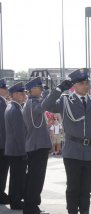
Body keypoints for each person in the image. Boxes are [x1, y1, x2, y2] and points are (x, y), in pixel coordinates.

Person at [42, 68, 91, 214]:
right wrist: (58, 89)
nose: (86, 85)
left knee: (86, 189)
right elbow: (45, 106)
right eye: (82, 83)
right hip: (72, 152)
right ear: (74, 86)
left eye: (87, 82)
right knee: (72, 188)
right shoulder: (65, 100)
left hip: (90, 153)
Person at [22, 77, 52, 214]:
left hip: (37, 145)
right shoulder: (32, 103)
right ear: (33, 89)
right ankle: (31, 206)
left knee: (34, 177)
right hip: (37, 146)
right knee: (36, 178)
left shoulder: (32, 102)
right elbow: (43, 106)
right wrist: (57, 91)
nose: (41, 90)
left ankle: (31, 204)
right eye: (40, 88)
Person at [4, 82, 27, 210]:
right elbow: (20, 135)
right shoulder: (16, 109)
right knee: (17, 177)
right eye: (22, 93)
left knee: (16, 176)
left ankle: (15, 200)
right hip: (17, 151)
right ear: (15, 95)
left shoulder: (13, 107)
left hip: (13, 149)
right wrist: (25, 151)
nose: (24, 95)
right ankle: (16, 201)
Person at [0, 78, 9, 205]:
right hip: (2, 144)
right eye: (5, 88)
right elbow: (3, 126)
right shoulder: (1, 103)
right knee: (2, 171)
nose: (7, 90)